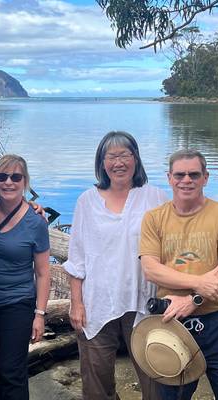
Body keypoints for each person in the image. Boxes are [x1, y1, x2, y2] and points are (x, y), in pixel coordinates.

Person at [139, 149, 218, 400]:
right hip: (172, 323)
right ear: (169, 178)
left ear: (205, 178)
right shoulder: (154, 219)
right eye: (179, 175)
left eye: (193, 174)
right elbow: (151, 269)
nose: (186, 180)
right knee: (172, 396)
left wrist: (193, 300)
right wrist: (200, 284)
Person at [64, 131, 166, 400]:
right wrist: (77, 302)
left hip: (145, 300)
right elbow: (77, 257)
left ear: (136, 159)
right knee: (96, 382)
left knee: (155, 377)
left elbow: (172, 245)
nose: (118, 162)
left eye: (125, 155)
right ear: (102, 162)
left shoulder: (154, 197)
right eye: (112, 156)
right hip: (98, 302)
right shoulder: (87, 201)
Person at [0, 154, 51, 400]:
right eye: (2, 177)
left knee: (13, 371)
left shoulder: (36, 222)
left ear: (25, 182)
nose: (8, 182)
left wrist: (40, 315)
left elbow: (42, 272)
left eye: (15, 177)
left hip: (18, 304)